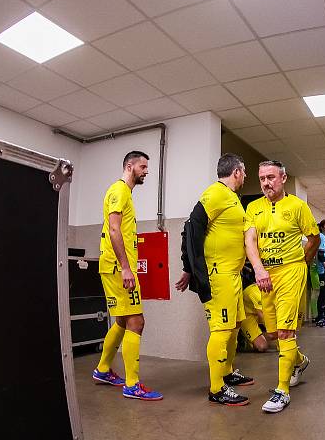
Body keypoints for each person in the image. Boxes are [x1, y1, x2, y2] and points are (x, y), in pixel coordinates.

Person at [176, 153, 254, 406]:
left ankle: (227, 372)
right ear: (237, 172)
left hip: (233, 275)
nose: (245, 176)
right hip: (218, 275)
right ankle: (216, 388)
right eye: (244, 172)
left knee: (233, 326)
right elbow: (191, 227)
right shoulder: (216, 193)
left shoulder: (232, 198)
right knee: (221, 330)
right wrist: (190, 268)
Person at [244, 161, 320, 413]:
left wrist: (302, 263)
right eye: (262, 178)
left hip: (290, 271)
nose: (266, 183)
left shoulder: (298, 207)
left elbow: (314, 238)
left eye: (271, 177)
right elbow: (250, 241)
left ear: (283, 178)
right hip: (266, 274)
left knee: (286, 332)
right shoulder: (254, 207)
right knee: (275, 333)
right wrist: (259, 269)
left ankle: (282, 391)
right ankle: (299, 361)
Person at [92, 151, 163, 401]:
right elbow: (113, 230)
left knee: (122, 321)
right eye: (143, 167)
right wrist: (125, 267)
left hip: (115, 267)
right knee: (136, 322)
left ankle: (102, 370)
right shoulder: (119, 190)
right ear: (129, 166)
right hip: (116, 268)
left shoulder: (124, 193)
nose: (146, 171)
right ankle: (132, 384)